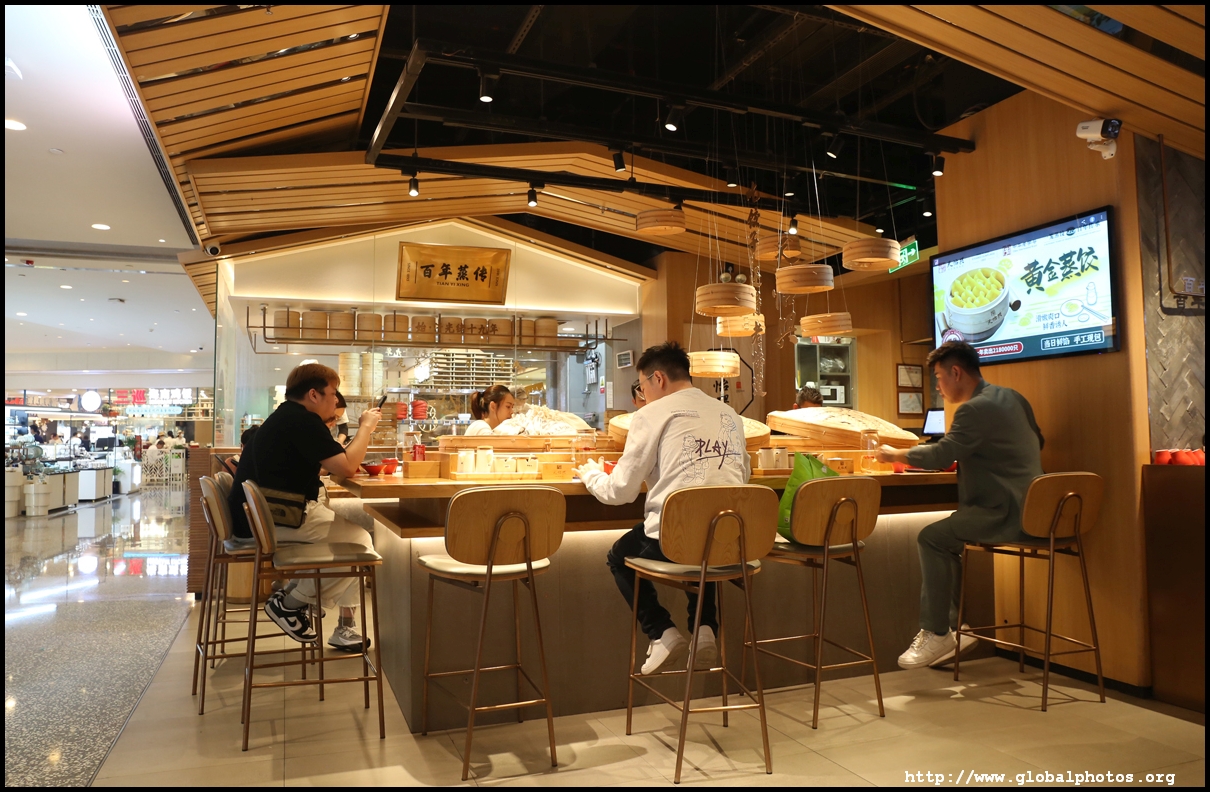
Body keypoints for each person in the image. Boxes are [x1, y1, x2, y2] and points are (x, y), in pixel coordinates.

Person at [576, 342, 750, 675]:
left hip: (674, 542)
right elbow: (742, 475)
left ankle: (662, 633)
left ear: (658, 379)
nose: (643, 395)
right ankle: (704, 629)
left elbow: (620, 491)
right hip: (731, 539)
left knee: (619, 556)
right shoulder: (729, 414)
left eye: (642, 387)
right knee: (706, 538)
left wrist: (591, 476)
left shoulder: (650, 414)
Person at [876, 341, 1044, 669]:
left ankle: (938, 632)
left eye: (939, 377)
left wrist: (893, 454)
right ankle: (955, 627)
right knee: (947, 539)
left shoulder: (974, 409)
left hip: (1005, 513)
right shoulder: (1012, 397)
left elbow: (941, 454)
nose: (938, 386)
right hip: (1037, 510)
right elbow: (1039, 440)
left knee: (932, 538)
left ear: (956, 372)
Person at [227, 363, 382, 651]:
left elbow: (328, 464)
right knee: (359, 542)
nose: (335, 402)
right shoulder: (303, 420)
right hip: (270, 520)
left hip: (259, 518)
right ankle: (290, 603)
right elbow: (347, 467)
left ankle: (296, 599)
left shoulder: (286, 417)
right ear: (313, 394)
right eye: (332, 394)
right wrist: (365, 427)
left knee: (351, 540)